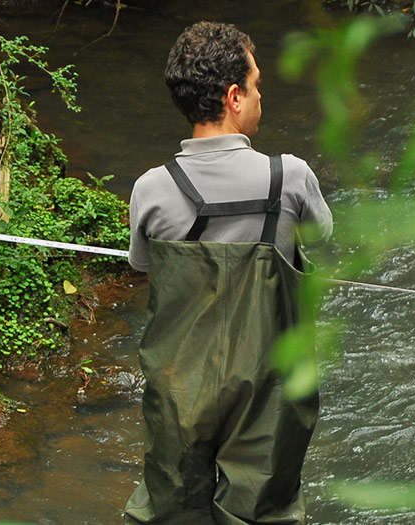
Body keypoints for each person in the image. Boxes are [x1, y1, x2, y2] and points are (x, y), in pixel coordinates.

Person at [124, 21, 333, 524]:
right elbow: (320, 238)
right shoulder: (292, 178)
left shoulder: (151, 189)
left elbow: (144, 265)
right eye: (258, 85)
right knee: (265, 513)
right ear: (235, 96)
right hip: (269, 389)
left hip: (180, 387)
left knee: (171, 511)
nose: (263, 96)